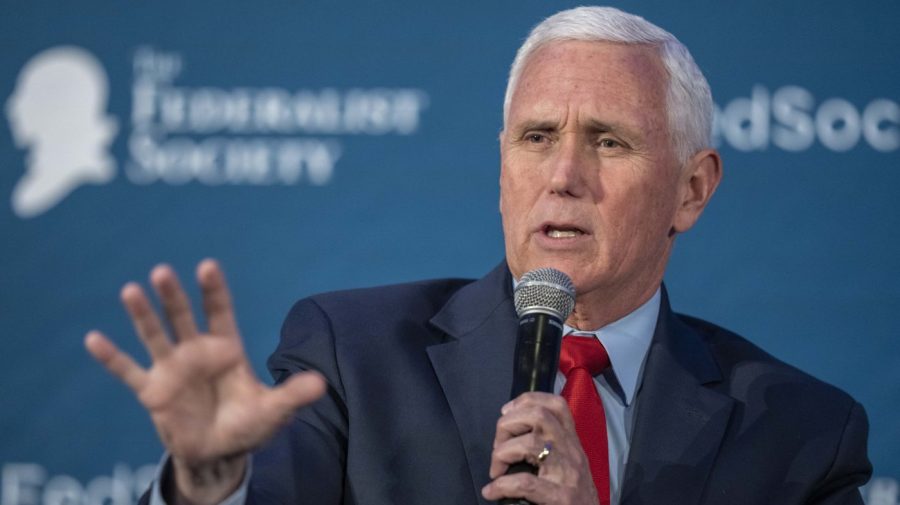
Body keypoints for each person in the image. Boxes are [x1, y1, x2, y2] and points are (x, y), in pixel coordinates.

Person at [86, 6, 872, 505]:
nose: (563, 175)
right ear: (503, 166)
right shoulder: (353, 357)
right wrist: (206, 484)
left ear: (692, 191)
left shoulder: (800, 435)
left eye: (609, 141)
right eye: (537, 138)